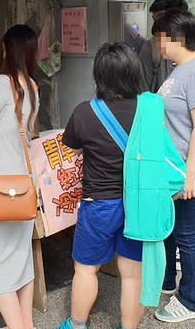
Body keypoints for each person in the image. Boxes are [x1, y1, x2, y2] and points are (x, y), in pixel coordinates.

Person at [57, 43, 148, 329]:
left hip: (99, 205)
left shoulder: (85, 112)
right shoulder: (148, 109)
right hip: (137, 202)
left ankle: (77, 324)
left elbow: (71, 149)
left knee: (86, 269)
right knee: (132, 273)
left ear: (99, 76)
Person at [152, 10, 195, 323]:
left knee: (186, 236)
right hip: (173, 171)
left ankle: (191, 300)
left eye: (160, 36)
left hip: (190, 172)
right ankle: (166, 283)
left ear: (176, 38)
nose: (157, 43)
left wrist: (189, 174)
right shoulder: (178, 69)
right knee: (170, 233)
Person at [0, 25, 40, 329]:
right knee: (21, 259)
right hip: (26, 187)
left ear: (7, 49)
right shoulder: (33, 87)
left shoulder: (2, 83)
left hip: (0, 188)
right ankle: (27, 323)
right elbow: (26, 137)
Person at [139, 0, 189, 93]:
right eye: (154, 20)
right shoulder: (151, 48)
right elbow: (143, 90)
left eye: (160, 18)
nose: (156, 24)